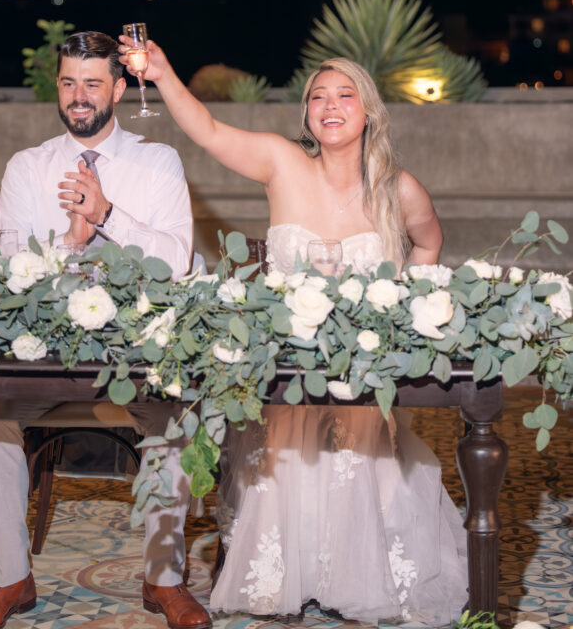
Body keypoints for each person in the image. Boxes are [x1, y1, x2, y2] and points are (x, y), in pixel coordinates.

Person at [118, 38, 468, 626]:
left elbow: (430, 241)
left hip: (361, 380)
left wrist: (408, 299)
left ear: (368, 111)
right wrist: (162, 71)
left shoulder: (397, 188)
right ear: (306, 113)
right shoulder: (281, 162)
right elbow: (205, 130)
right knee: (287, 461)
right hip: (284, 375)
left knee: (358, 464)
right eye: (317, 97)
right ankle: (298, 574)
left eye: (344, 95)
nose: (329, 106)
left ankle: (354, 574)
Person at [0, 31, 212, 629]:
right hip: (47, 355)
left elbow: (176, 258)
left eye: (93, 84)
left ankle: (164, 581)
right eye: (69, 82)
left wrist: (105, 217)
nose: (79, 97)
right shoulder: (26, 168)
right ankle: (11, 578)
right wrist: (68, 246)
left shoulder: (157, 163)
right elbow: (4, 266)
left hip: (137, 351)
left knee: (177, 418)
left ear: (120, 88)